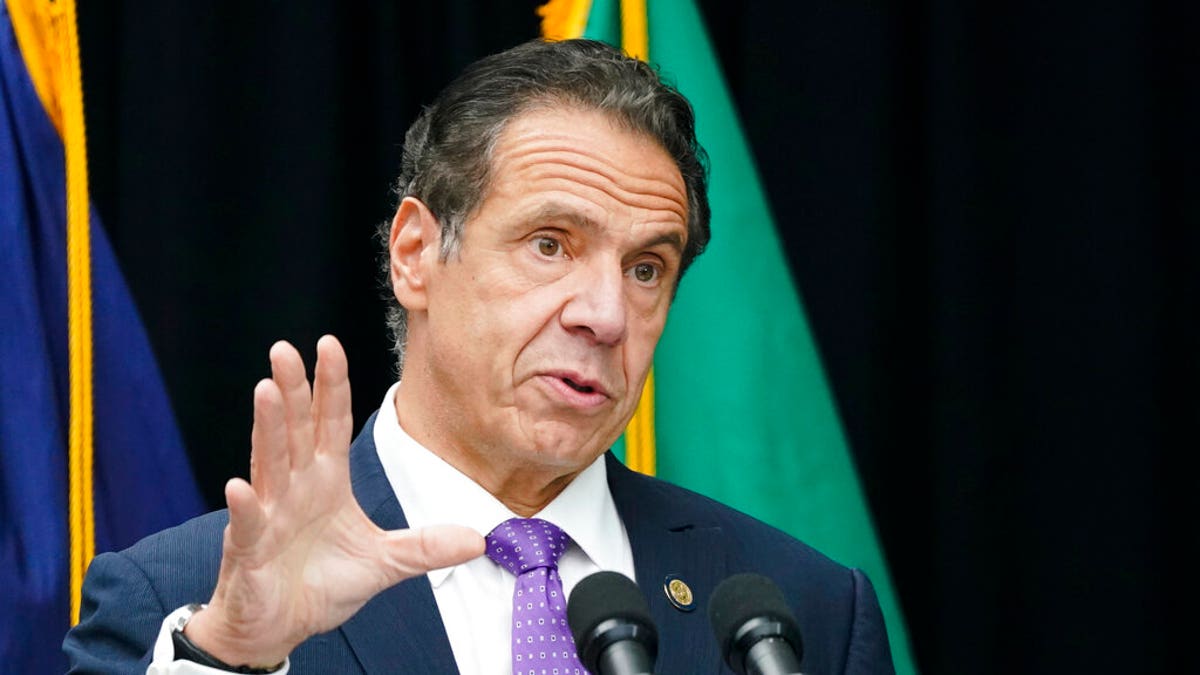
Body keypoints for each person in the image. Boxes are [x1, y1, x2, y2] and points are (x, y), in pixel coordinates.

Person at [63, 38, 895, 674]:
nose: (606, 315)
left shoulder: (801, 610)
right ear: (416, 253)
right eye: (550, 244)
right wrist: (233, 656)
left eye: (647, 268)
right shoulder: (181, 600)